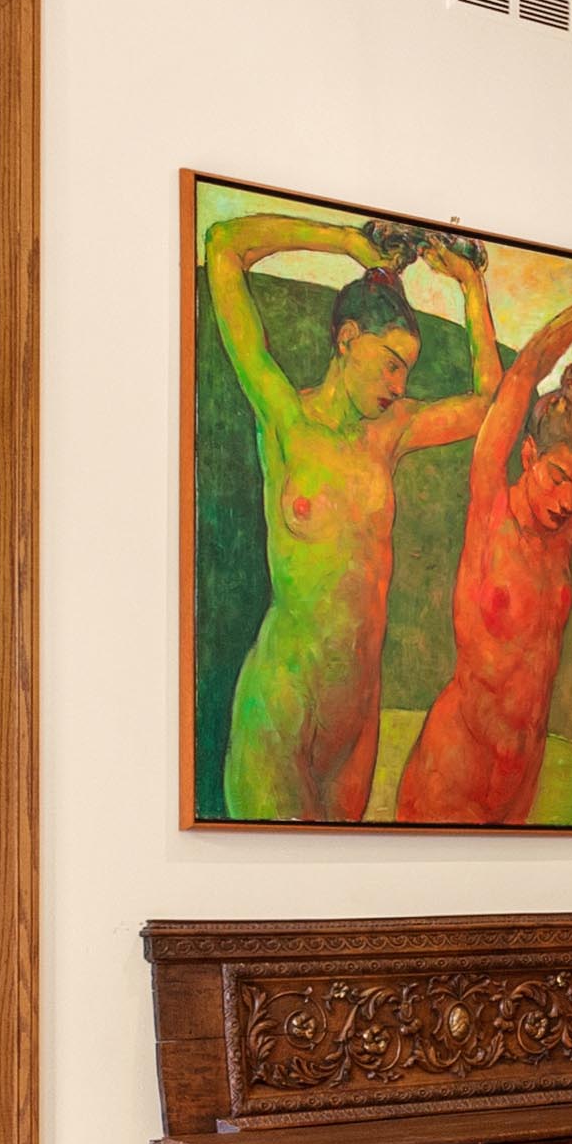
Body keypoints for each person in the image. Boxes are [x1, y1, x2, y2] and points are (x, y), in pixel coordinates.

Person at [200, 206, 490, 820]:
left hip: (356, 724)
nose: (397, 383)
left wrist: (472, 286)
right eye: (389, 362)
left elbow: (492, 401)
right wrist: (344, 242)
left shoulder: (393, 430)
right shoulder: (284, 414)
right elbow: (223, 245)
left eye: (406, 370)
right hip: (281, 706)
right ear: (347, 338)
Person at [393, 278, 572, 823]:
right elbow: (524, 372)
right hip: (453, 770)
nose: (568, 499)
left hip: (519, 781)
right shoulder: (489, 508)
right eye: (557, 477)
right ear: (528, 455)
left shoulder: (562, 539)